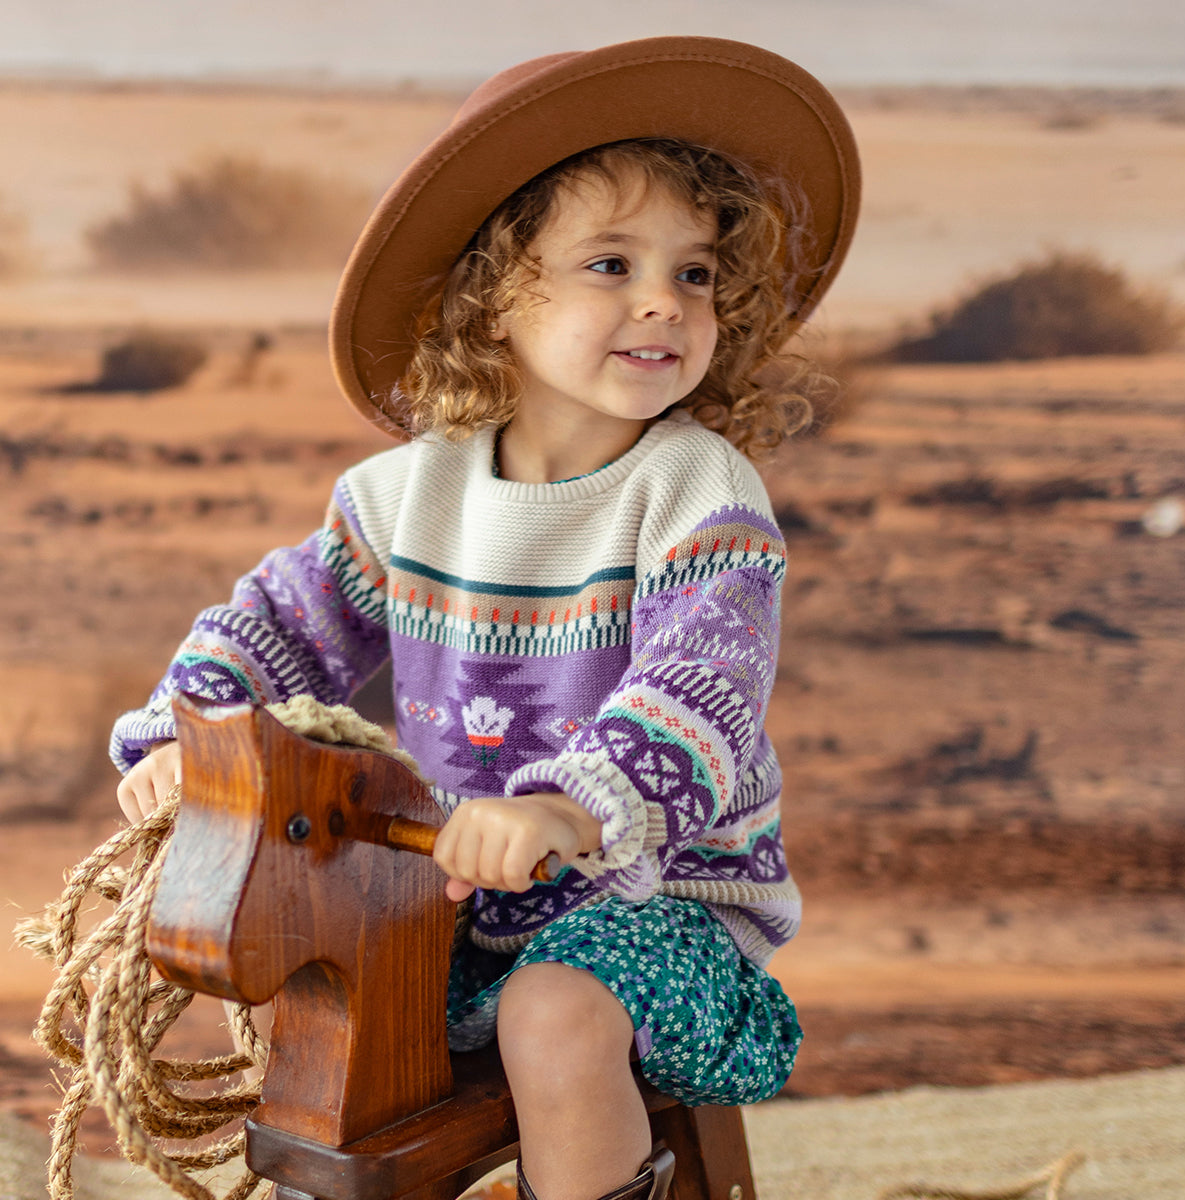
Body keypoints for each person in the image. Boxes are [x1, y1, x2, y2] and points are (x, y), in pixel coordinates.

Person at [111, 36, 860, 1200]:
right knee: (322, 1010)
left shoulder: (697, 495)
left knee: (557, 1017)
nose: (664, 298)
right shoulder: (409, 495)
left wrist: (566, 804)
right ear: (493, 297)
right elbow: (277, 625)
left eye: (697, 273)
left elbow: (699, 694)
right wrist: (187, 737)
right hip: (457, 894)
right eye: (611, 263)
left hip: (659, 901)